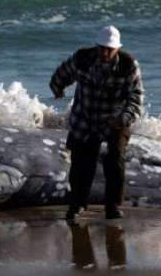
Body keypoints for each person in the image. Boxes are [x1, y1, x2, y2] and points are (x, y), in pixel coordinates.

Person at [49, 25, 144, 220]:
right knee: (81, 163)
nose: (105, 52)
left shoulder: (129, 65)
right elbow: (62, 73)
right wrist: (57, 88)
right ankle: (77, 205)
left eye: (110, 49)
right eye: (102, 48)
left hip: (115, 119)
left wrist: (122, 119)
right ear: (96, 46)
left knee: (115, 159)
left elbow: (136, 99)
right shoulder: (82, 58)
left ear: (117, 48)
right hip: (85, 116)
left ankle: (113, 206)